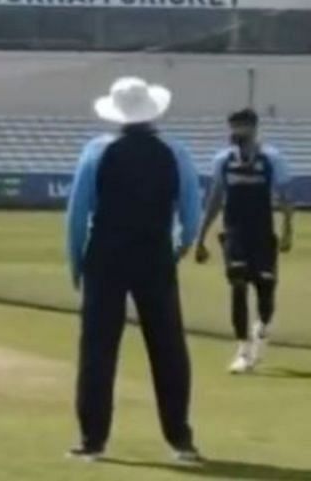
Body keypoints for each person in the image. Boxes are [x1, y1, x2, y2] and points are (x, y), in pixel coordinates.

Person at [66, 77, 203, 462]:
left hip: (106, 254)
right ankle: (181, 439)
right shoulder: (174, 151)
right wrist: (177, 247)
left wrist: (78, 263)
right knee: (168, 346)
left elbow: (78, 215)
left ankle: (93, 440)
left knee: (98, 349)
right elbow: (190, 211)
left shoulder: (97, 151)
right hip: (154, 252)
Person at [195, 109, 293, 374]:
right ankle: (242, 348)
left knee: (265, 288)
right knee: (237, 284)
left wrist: (287, 231)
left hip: (262, 234)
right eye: (232, 127)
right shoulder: (223, 160)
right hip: (235, 233)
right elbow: (215, 198)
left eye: (241, 127)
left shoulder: (272, 158)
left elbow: (284, 196)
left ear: (253, 128)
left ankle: (261, 328)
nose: (235, 133)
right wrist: (201, 237)